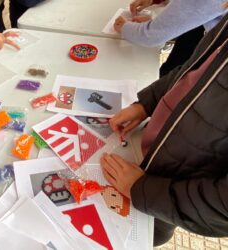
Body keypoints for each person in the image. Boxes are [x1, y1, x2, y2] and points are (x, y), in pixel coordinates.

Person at [101, 13, 228, 246]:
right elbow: (193, 69)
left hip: (167, 193)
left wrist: (141, 191)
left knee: (138, 235)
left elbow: (222, 208)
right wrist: (146, 103)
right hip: (152, 155)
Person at [114, 0, 227, 76]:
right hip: (210, 31)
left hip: (218, 54)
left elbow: (150, 36)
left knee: (174, 81)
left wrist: (124, 27)